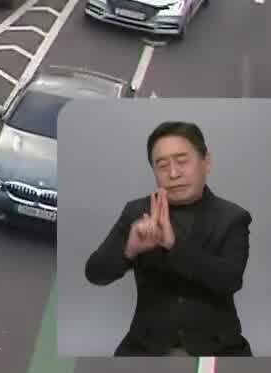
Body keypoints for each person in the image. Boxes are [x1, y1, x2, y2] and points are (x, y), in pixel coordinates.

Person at [83, 120, 253, 356]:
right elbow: (95, 274)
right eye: (162, 165)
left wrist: (173, 245)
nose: (173, 173)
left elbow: (230, 280)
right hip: (146, 347)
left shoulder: (232, 217)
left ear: (207, 162)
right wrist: (129, 250)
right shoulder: (137, 212)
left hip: (219, 347)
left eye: (182, 162)